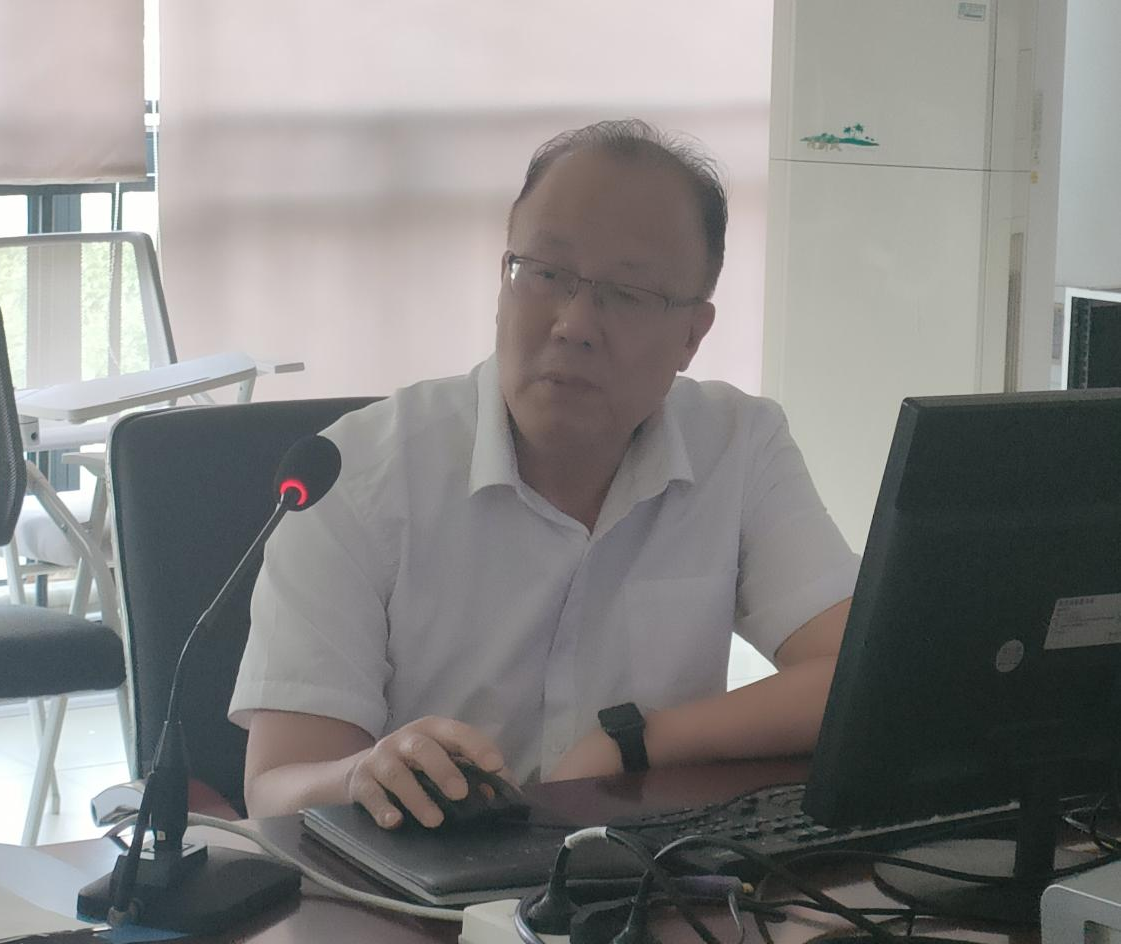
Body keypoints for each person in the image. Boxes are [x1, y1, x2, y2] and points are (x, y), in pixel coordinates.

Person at [230, 119, 859, 829]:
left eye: (629, 293)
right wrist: (359, 775)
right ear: (503, 283)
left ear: (692, 335)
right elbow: (274, 787)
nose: (573, 323)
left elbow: (862, 676)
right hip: (414, 877)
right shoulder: (356, 476)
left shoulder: (738, 446)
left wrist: (634, 742)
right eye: (546, 274)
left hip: (640, 871)